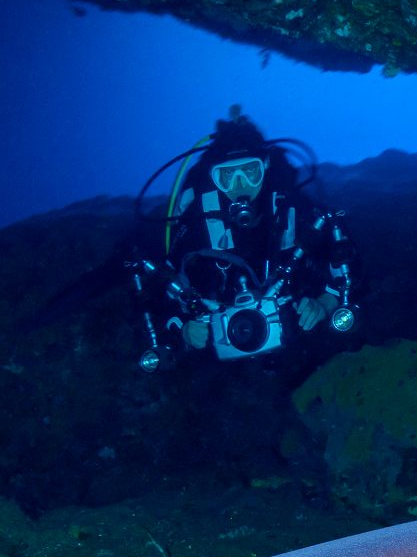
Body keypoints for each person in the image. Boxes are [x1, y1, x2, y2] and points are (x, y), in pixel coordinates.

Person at [128, 108, 356, 369]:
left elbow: (344, 257)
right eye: (227, 175)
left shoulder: (290, 208)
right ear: (213, 178)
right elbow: (164, 284)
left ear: (265, 166)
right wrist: (184, 329)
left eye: (250, 171)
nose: (240, 185)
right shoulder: (198, 221)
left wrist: (325, 303)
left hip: (295, 331)